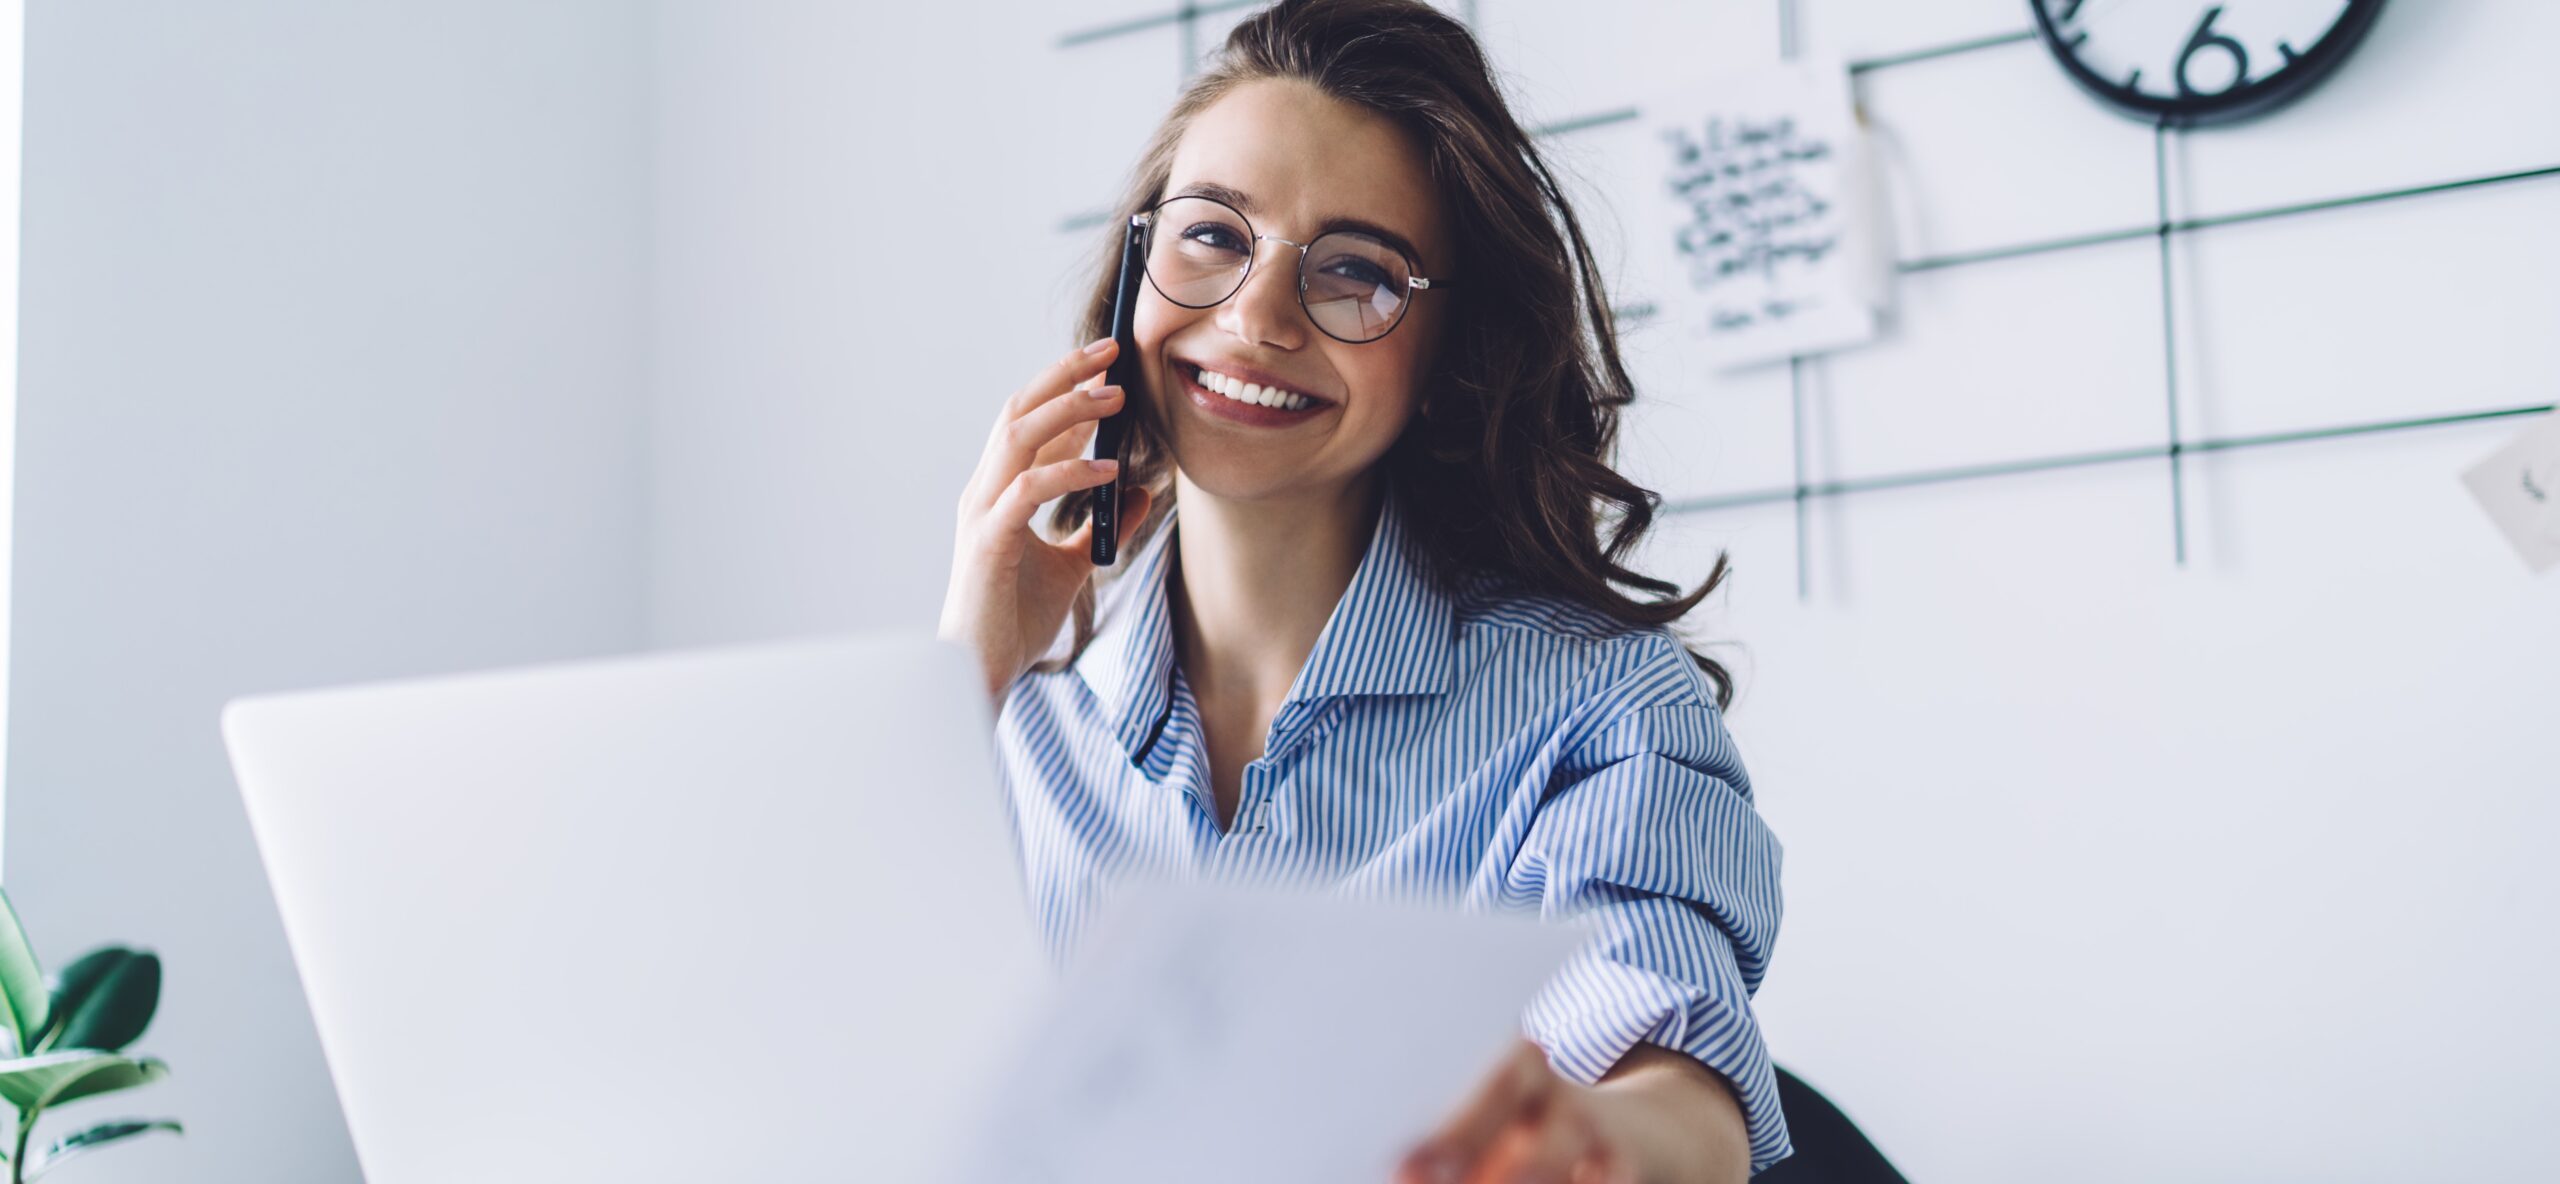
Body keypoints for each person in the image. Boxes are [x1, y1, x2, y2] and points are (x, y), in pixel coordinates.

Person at [937, 1, 1787, 1179]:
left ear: (1447, 358)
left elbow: (1676, 1078)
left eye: (1354, 272)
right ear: (1137, 261)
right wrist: (961, 675)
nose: (1254, 318)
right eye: (1211, 236)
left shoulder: (1600, 707)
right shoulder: (1009, 727)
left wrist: (1590, 1145)